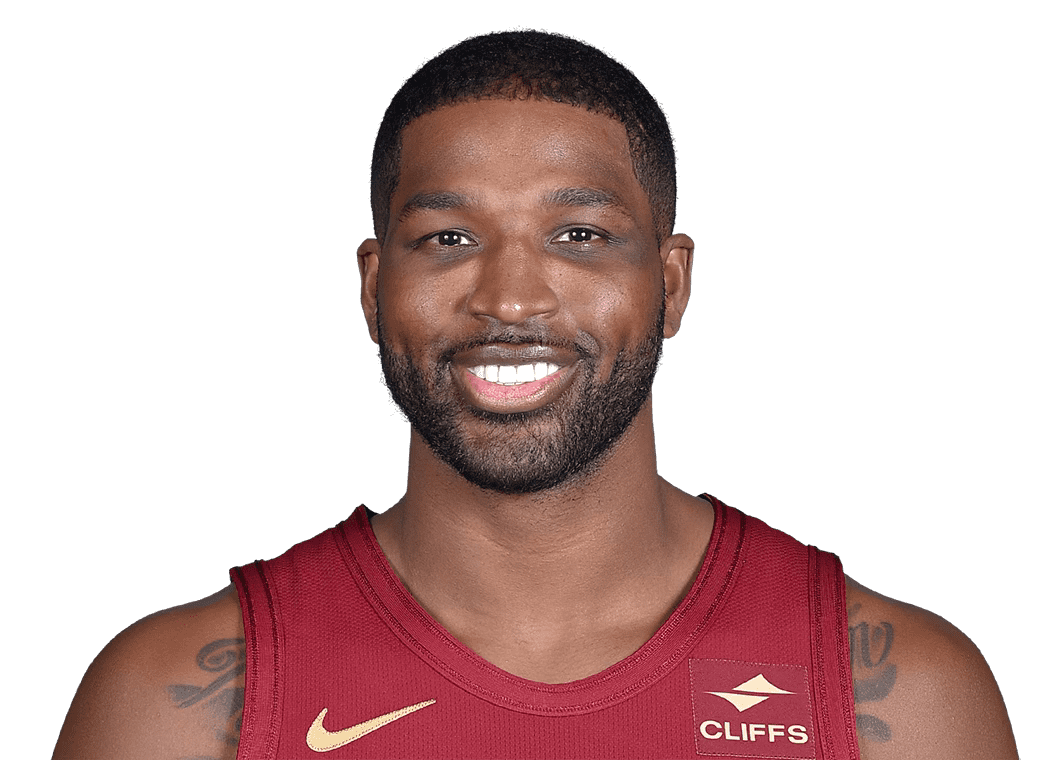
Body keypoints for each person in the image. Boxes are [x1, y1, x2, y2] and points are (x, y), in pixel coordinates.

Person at [52, 29, 1017, 760]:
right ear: (373, 288)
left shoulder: (899, 697)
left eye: (579, 236)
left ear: (671, 284)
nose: (510, 299)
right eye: (448, 239)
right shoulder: (174, 703)